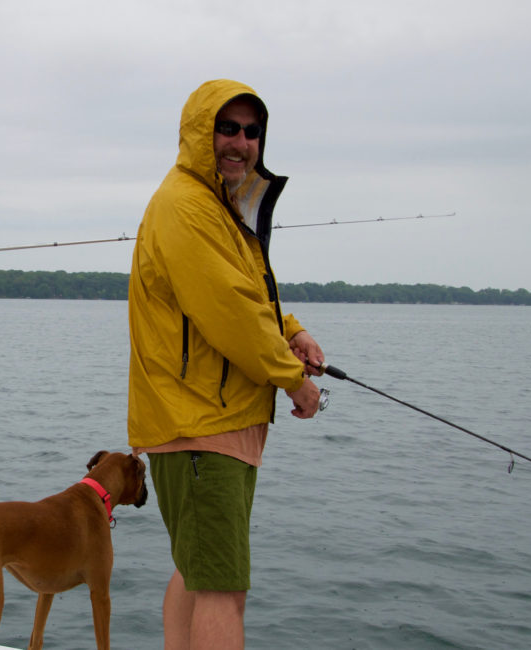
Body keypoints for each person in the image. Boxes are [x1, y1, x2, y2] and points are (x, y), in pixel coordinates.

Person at [127, 79, 325, 650]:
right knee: (223, 588)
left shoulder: (215, 207)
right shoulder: (186, 207)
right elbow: (233, 315)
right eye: (227, 128)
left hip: (215, 426)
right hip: (200, 428)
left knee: (198, 571)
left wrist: (294, 331)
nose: (240, 142)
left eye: (251, 131)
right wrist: (296, 384)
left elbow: (248, 293)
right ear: (198, 133)